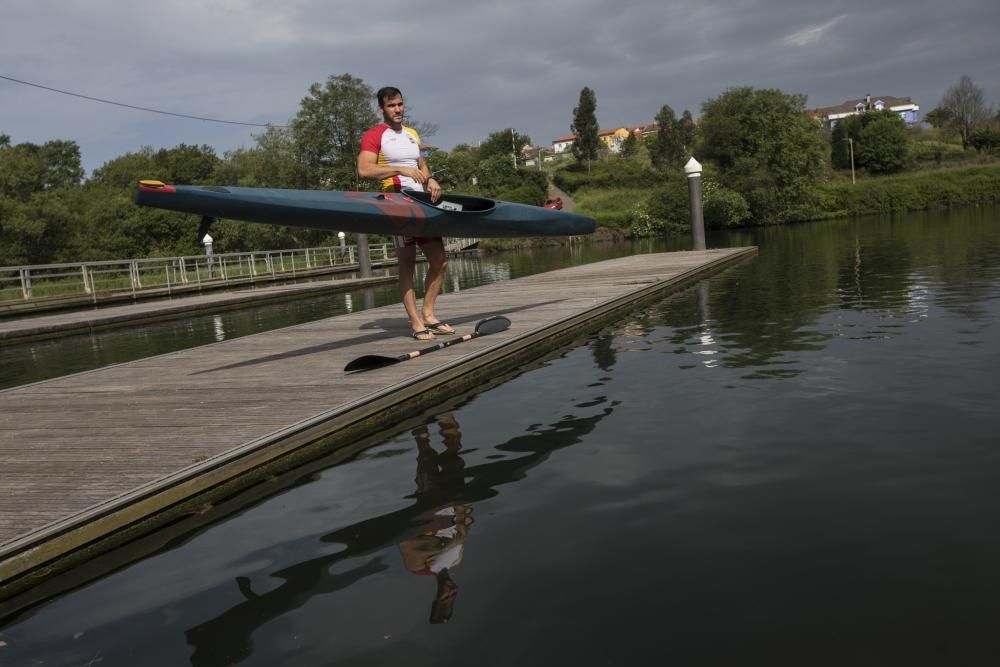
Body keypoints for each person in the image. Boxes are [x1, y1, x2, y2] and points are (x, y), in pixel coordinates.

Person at [357, 86, 454, 341]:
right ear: (382, 109)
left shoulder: (411, 133)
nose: (398, 109)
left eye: (400, 104)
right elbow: (365, 170)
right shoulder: (375, 135)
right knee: (407, 265)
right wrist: (399, 170)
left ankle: (429, 315)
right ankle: (415, 322)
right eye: (391, 106)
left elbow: (420, 163)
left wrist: (431, 179)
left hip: (422, 202)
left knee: (440, 262)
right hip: (397, 203)